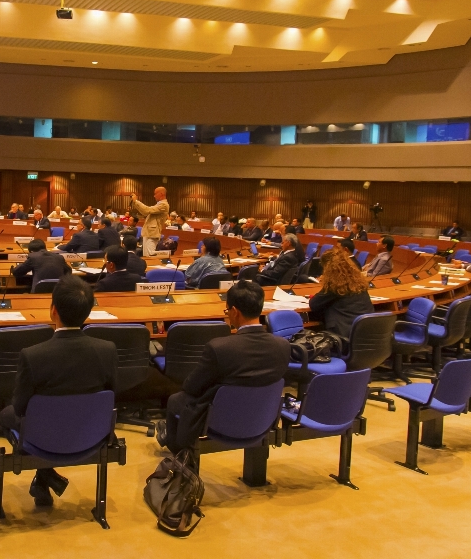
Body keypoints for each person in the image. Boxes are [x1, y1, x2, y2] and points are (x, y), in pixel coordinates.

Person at [0, 276, 117, 507]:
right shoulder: (108, 350)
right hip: (90, 433)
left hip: (43, 437)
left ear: (53, 310)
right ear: (88, 312)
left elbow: (20, 409)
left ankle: (44, 472)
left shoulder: (32, 355)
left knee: (6, 414)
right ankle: (44, 478)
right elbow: (111, 396)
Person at [154, 280, 291, 453]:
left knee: (176, 400)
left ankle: (177, 451)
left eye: (227, 311)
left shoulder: (220, 347)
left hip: (222, 420)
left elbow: (192, 387)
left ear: (234, 311)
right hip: (262, 417)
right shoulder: (283, 345)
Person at [308, 249, 374, 340]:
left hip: (343, 338)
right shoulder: (359, 283)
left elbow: (313, 304)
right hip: (366, 335)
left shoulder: (335, 285)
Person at [131, 187, 170, 257]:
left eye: (155, 194)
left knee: (150, 256)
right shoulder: (158, 204)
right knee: (146, 257)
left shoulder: (164, 205)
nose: (154, 196)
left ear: (161, 194)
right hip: (148, 233)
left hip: (153, 234)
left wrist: (136, 201)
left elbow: (147, 211)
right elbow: (145, 212)